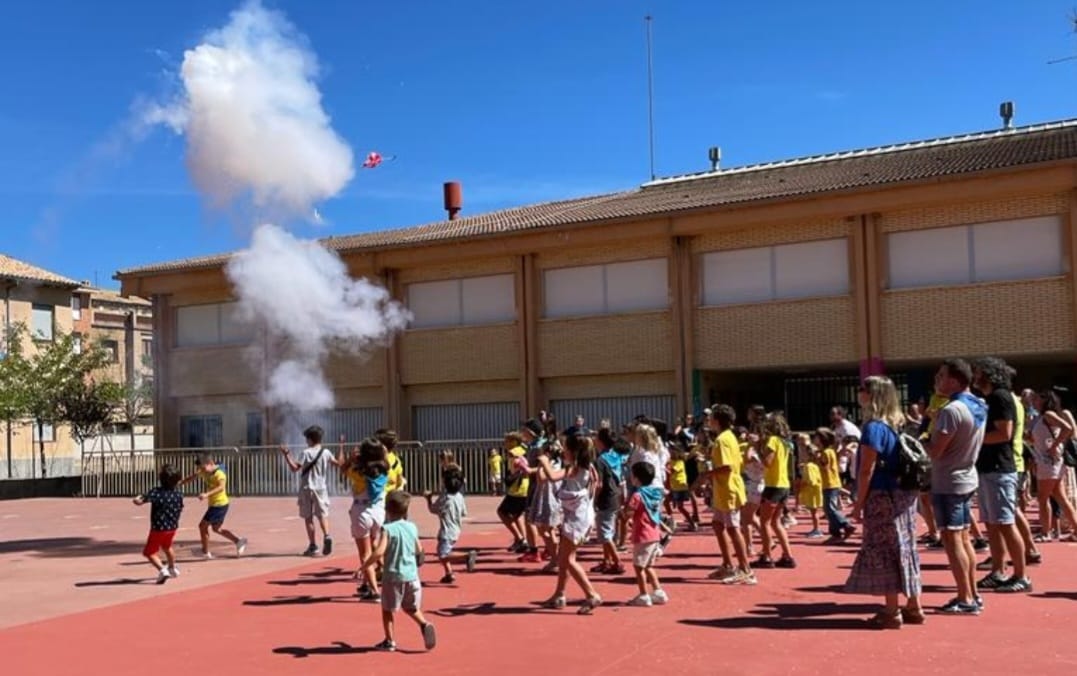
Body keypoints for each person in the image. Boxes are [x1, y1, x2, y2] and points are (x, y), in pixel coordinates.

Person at [845, 376, 923, 629]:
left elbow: (866, 470)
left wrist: (858, 503)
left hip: (882, 495)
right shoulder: (895, 426)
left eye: (863, 389)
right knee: (906, 545)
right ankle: (914, 604)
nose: (859, 393)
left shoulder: (873, 428)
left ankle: (891, 610)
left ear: (873, 394)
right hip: (902, 495)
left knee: (885, 548)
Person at [924, 358, 987, 615]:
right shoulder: (978, 404)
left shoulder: (952, 410)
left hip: (949, 479)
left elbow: (936, 451)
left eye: (940, 376)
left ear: (954, 380)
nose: (936, 380)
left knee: (952, 539)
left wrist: (922, 441)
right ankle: (972, 593)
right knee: (962, 537)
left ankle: (965, 598)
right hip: (966, 474)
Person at [971, 357, 1032, 594]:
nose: (975, 377)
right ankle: (998, 570)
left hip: (1000, 468)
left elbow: (1004, 433)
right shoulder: (990, 398)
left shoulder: (1000, 397)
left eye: (979, 373)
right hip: (988, 468)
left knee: (1005, 523)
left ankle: (1021, 575)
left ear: (989, 374)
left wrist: (973, 439)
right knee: (992, 524)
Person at [364, 491, 437, 652]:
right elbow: (419, 550)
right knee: (411, 607)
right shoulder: (412, 527)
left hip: (393, 576)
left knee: (387, 609)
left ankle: (389, 641)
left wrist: (365, 565)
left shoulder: (388, 529)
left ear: (387, 511)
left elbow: (379, 551)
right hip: (412, 576)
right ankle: (424, 624)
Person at [539, 433, 602, 614]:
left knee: (567, 559)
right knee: (564, 557)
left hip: (577, 518)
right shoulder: (589, 468)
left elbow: (551, 476)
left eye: (566, 447)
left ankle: (591, 594)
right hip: (582, 515)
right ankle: (559, 594)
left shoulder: (574, 469)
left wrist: (544, 460)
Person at [700, 405, 755, 585]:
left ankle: (746, 569)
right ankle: (727, 564)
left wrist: (705, 476)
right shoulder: (728, 437)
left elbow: (726, 466)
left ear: (717, 420)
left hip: (728, 487)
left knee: (732, 527)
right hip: (723, 488)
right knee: (717, 524)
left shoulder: (723, 440)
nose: (708, 421)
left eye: (711, 418)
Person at [343, 437, 390, 600]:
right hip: (378, 511)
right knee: (373, 543)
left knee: (365, 553)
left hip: (361, 511)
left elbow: (343, 469)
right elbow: (383, 457)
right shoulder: (384, 469)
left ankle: (375, 591)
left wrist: (351, 458)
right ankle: (371, 580)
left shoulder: (358, 471)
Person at [279, 425, 337, 557]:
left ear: (310, 439)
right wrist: (340, 447)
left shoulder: (305, 453)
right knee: (322, 514)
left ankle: (313, 545)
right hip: (321, 487)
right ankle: (327, 535)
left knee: (308, 517)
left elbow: (294, 468)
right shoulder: (326, 452)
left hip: (307, 488)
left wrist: (287, 455)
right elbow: (337, 463)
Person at [1028, 390, 1077, 541]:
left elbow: (1068, 428)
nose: (1034, 401)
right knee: (1060, 497)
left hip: (1048, 462)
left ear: (1044, 400)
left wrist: (1055, 445)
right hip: (1048, 461)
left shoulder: (1049, 415)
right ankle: (1075, 529)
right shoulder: (1040, 417)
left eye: (1037, 399)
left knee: (1043, 498)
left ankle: (1045, 532)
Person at [181, 453, 247, 559]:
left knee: (202, 526)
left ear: (211, 463)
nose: (202, 470)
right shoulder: (204, 470)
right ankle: (239, 541)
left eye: (203, 468)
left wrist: (206, 494)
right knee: (216, 529)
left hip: (219, 505)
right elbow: (192, 477)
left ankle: (205, 552)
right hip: (215, 504)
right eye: (200, 468)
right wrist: (180, 483)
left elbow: (221, 487)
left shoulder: (219, 474)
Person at [624, 461, 671, 607]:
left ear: (636, 478)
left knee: (639, 567)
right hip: (653, 533)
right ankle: (658, 591)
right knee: (649, 566)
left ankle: (643, 594)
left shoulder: (637, 495)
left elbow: (629, 513)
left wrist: (623, 512)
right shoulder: (654, 493)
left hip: (642, 534)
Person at [755, 413, 796, 569]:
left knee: (765, 522)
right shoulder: (784, 442)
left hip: (774, 485)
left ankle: (766, 556)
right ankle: (787, 555)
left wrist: (758, 448)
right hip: (783, 484)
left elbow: (768, 462)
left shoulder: (773, 441)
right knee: (775, 522)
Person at [424, 466, 477, 584]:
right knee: (442, 550)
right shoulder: (459, 497)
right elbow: (464, 512)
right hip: (456, 529)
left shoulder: (445, 498)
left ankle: (466, 556)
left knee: (443, 555)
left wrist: (428, 498)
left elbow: (433, 509)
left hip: (447, 531)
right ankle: (449, 573)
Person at [133, 464, 184, 583]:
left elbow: (140, 501)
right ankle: (172, 568)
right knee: (167, 546)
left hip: (158, 528)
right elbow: (181, 507)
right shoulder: (178, 494)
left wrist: (137, 499)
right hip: (172, 527)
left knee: (149, 552)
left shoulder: (156, 492)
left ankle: (162, 570)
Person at [592, 428, 626, 575]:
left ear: (600, 441)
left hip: (605, 497)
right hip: (616, 494)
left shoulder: (600, 460)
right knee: (608, 531)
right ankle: (607, 561)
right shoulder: (616, 456)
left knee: (605, 534)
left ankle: (617, 562)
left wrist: (593, 498)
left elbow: (598, 483)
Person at [815, 427, 855, 542]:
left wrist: (817, 459)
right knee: (828, 508)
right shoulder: (829, 451)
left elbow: (825, 467)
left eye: (817, 438)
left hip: (830, 483)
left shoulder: (826, 452)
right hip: (829, 483)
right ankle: (835, 533)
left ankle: (846, 524)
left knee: (830, 509)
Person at [497, 432, 529, 552]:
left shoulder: (515, 451)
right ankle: (521, 540)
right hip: (523, 487)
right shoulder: (523, 449)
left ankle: (520, 539)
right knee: (517, 515)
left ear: (513, 442)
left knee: (502, 512)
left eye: (507, 441)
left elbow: (518, 457)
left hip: (518, 489)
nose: (505, 443)